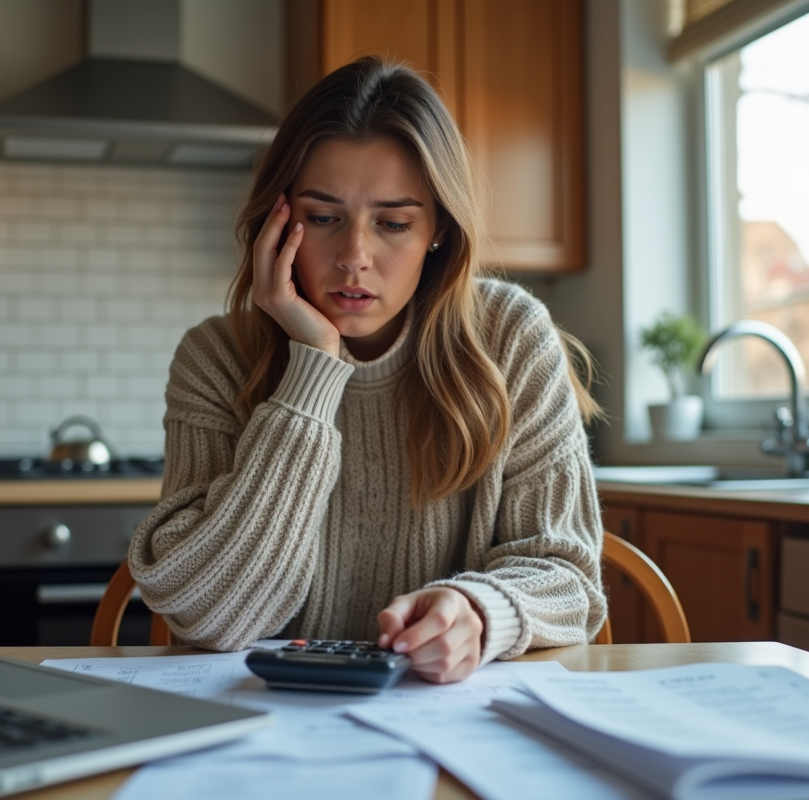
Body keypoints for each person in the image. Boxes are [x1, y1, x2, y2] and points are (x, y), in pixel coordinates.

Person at [128, 56, 607, 684]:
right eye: (324, 218)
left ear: (439, 229)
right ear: (278, 219)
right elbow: (212, 615)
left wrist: (480, 611)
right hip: (263, 720)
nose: (355, 258)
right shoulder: (215, 357)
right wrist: (313, 369)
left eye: (393, 223)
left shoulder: (511, 337)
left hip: (450, 714)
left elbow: (569, 577)